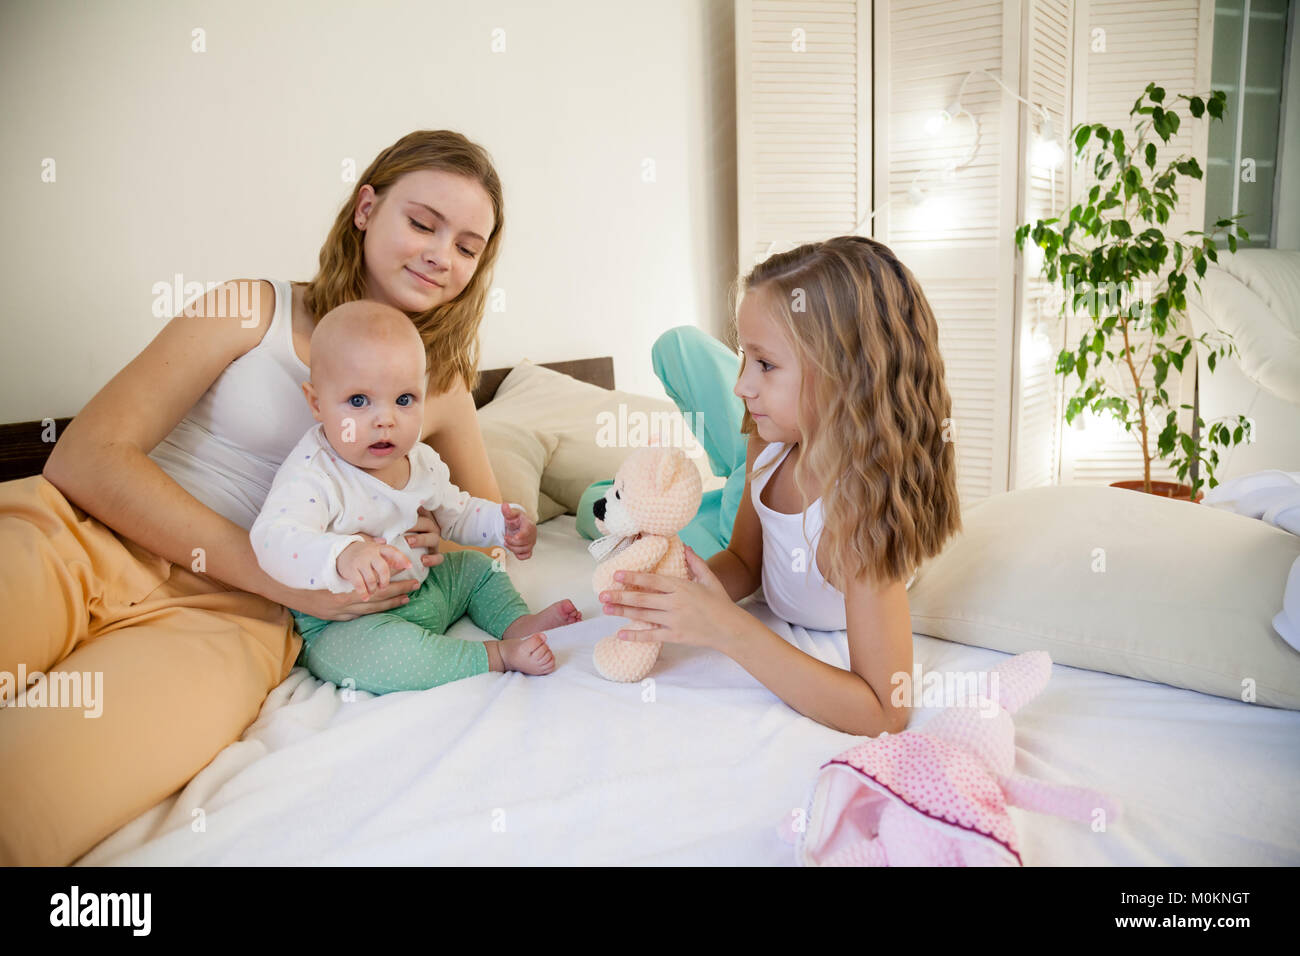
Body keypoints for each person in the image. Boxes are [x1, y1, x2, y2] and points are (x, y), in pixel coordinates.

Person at [0, 130, 512, 866]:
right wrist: (270, 567)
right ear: (366, 208)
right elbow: (86, 456)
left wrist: (437, 539)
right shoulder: (253, 308)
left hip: (231, 623)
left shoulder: (446, 390)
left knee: (34, 795)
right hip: (84, 537)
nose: (441, 255)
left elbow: (487, 543)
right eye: (423, 223)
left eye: (468, 246)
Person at [596, 236, 963, 737]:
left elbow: (884, 710)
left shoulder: (861, 509)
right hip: (778, 450)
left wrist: (728, 629)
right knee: (614, 511)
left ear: (846, 374)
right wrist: (681, 596)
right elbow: (747, 562)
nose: (741, 385)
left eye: (765, 364)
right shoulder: (767, 445)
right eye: (744, 359)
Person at [252, 300, 581, 691]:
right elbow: (273, 538)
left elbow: (456, 513)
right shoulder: (314, 474)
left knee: (477, 570)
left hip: (425, 587)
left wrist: (500, 524)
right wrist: (343, 556)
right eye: (359, 401)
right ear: (316, 403)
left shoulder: (421, 460)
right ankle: (495, 655)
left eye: (404, 400)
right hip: (350, 619)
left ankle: (517, 623)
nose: (386, 419)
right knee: (387, 658)